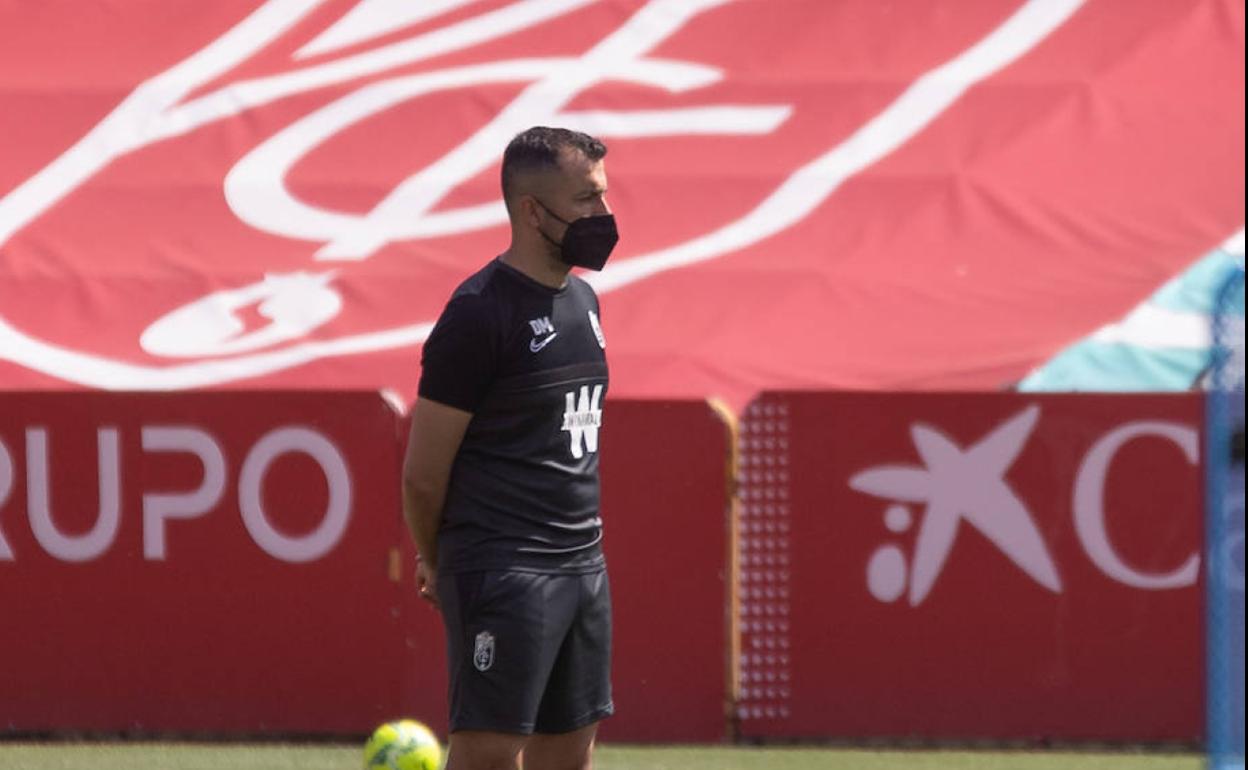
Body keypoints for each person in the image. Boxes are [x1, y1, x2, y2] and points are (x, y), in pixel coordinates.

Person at [401, 126, 618, 770]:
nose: (603, 216)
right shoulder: (476, 314)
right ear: (531, 211)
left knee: (568, 757)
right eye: (585, 199)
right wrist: (436, 558)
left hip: (583, 567)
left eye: (603, 196)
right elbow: (421, 476)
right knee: (489, 757)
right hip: (505, 569)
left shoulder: (585, 302)